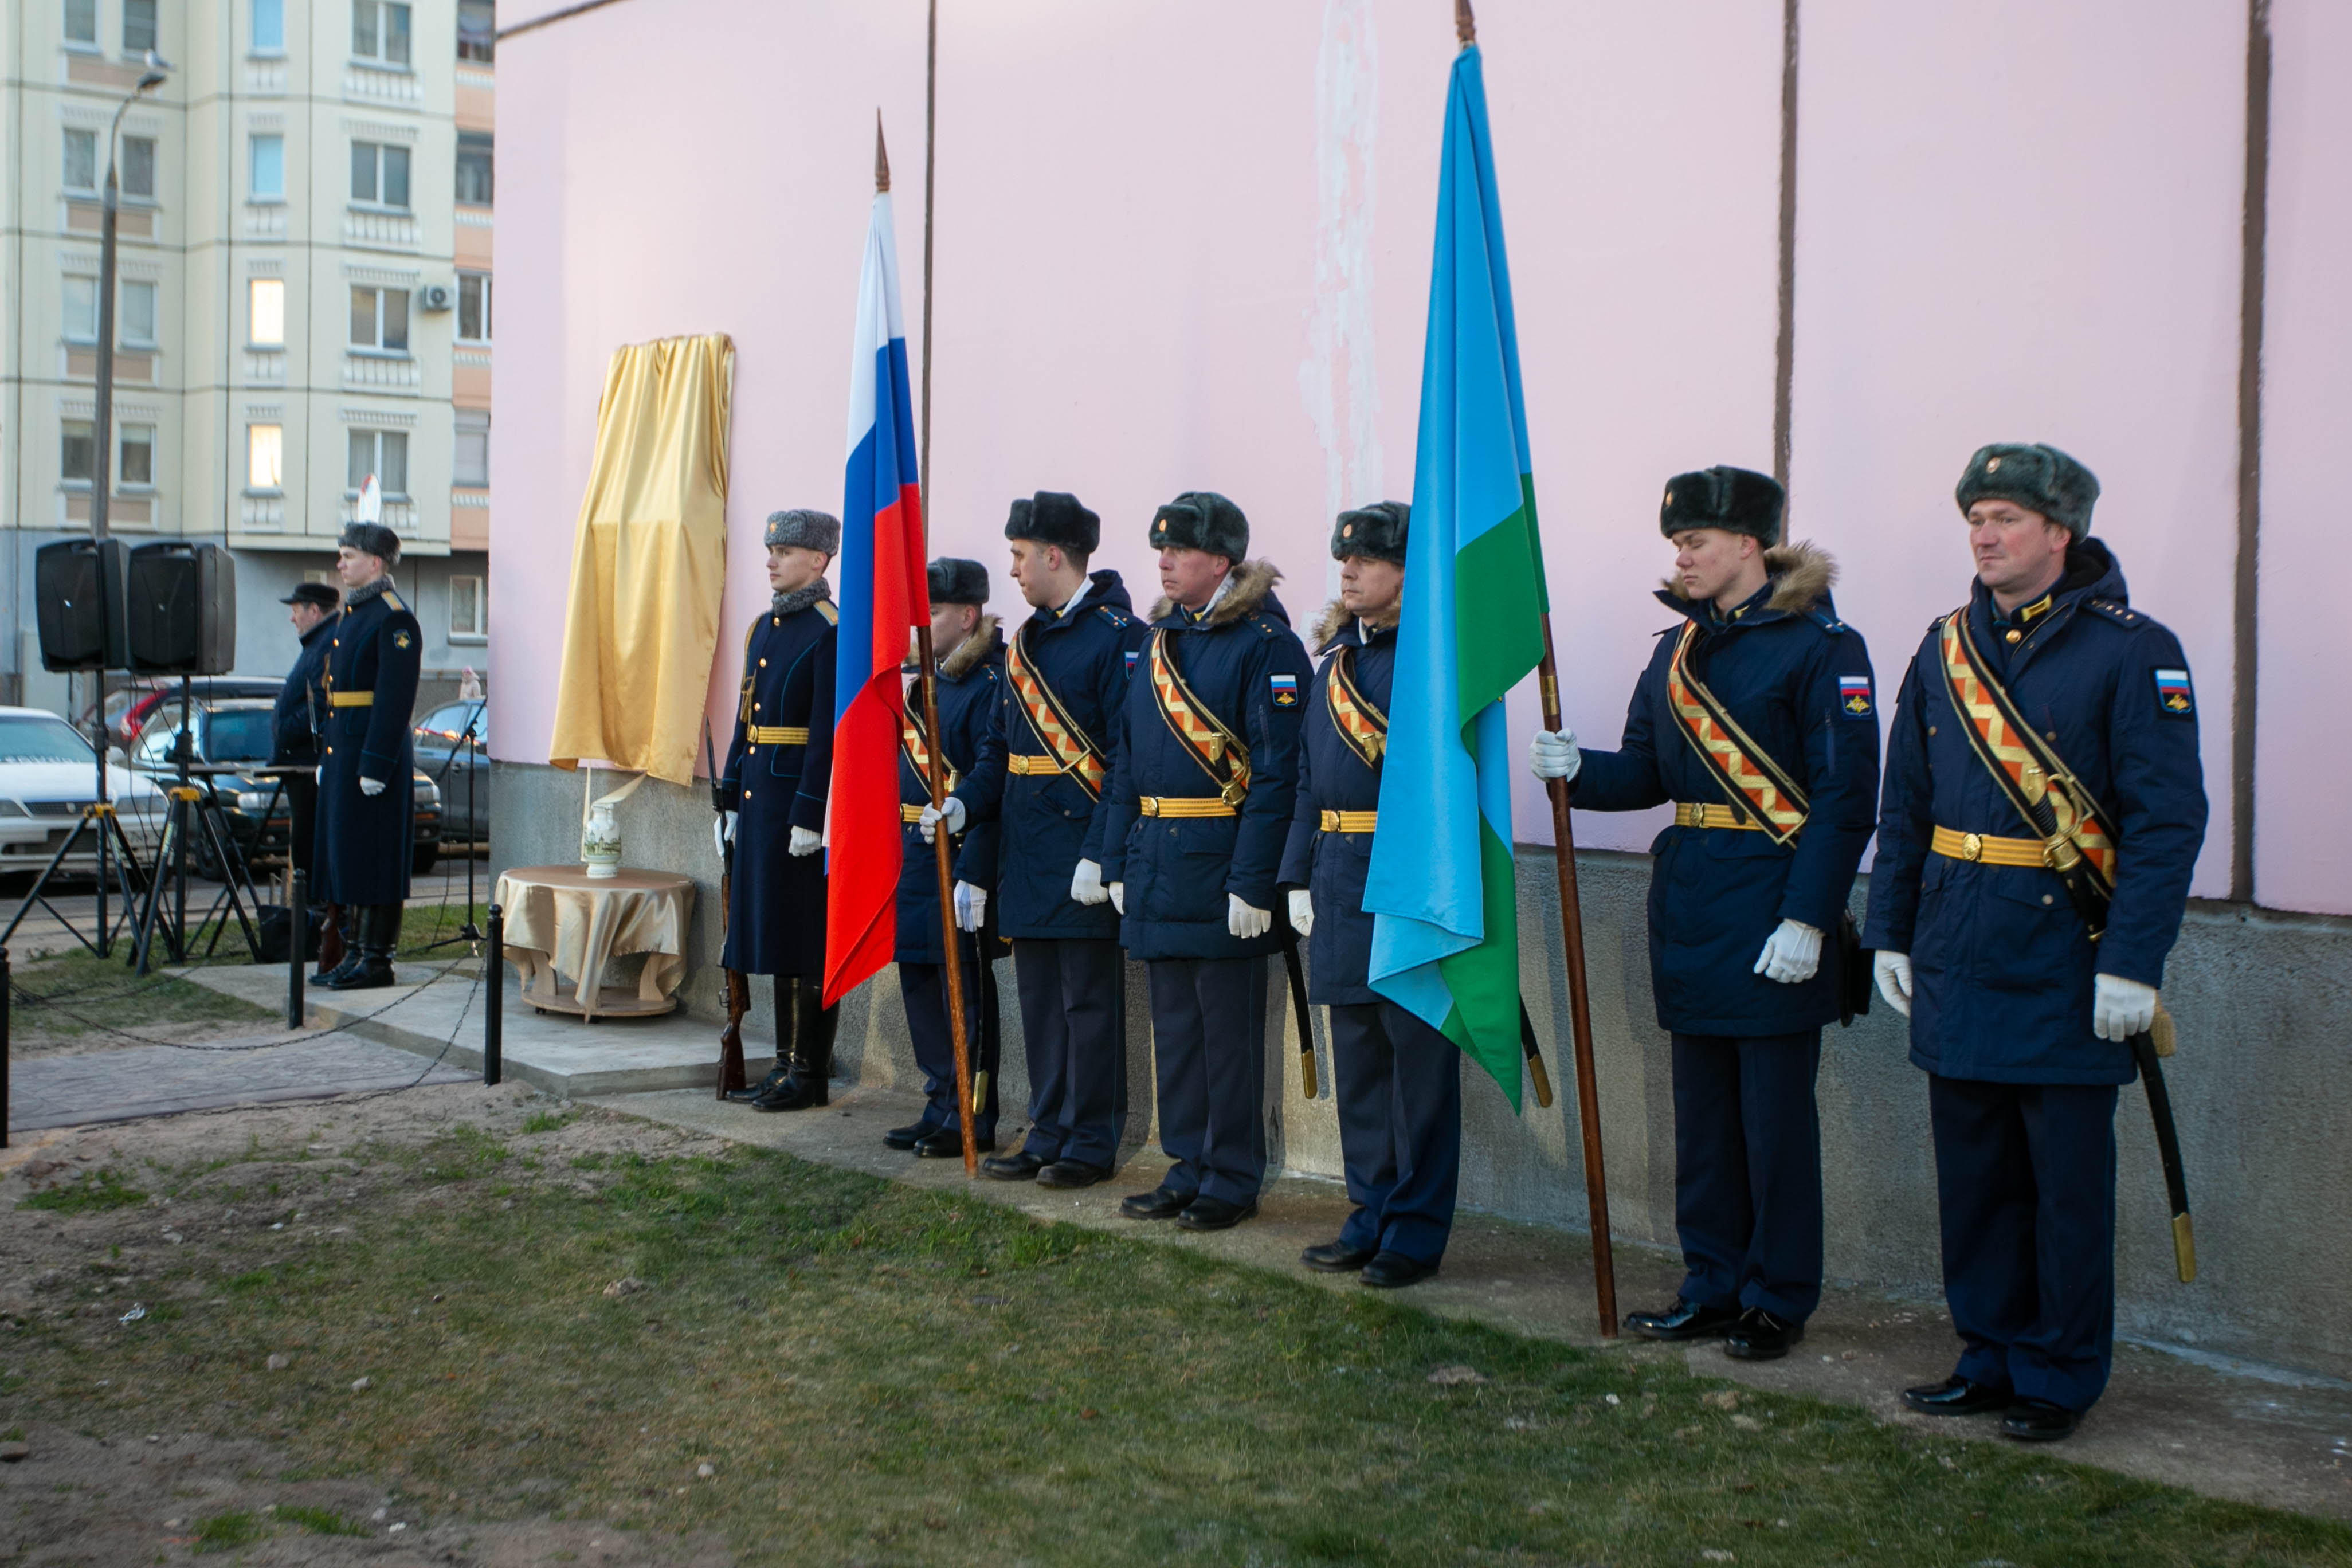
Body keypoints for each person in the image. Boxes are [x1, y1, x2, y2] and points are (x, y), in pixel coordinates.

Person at [1863, 443, 2206, 1442]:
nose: (1982, 533)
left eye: (2005, 516)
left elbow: (2163, 822)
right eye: (1974, 515)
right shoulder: (1942, 648)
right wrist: (1888, 931)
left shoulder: (2131, 648)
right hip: (1958, 950)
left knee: (2061, 1191)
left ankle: (2056, 1376)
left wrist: (2133, 963)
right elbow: (1906, 801)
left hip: (2067, 958)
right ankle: (1986, 1355)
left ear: (2060, 532)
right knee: (1974, 1183)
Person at [1530, 466, 1879, 1360]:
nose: (1679, 555)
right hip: (1690, 909)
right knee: (1707, 1127)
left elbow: (1845, 802)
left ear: (1749, 546)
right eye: (1676, 541)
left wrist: (1810, 917)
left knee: (1775, 1130)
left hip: (1771, 913)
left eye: (1696, 541)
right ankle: (1712, 1284)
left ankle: (1777, 1298)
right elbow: (1648, 775)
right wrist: (1578, 768)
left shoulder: (1821, 648)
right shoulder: (1674, 652)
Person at [1098, 491, 1312, 1232]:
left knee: (1227, 1040)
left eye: (1180, 549)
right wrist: (1114, 857)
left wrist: (1256, 880)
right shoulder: (1160, 642)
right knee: (1177, 1034)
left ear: (1220, 561)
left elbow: (1280, 772)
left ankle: (1230, 1176)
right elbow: (1126, 759)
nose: (1163, 559)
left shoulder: (1265, 645)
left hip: (1223, 868)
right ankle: (1186, 1165)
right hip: (1157, 862)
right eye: (1160, 547)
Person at [1278, 501, 1457, 1288]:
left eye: (1369, 559)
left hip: (1409, 881)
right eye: (1343, 559)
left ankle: (1414, 1232)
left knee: (1417, 1072)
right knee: (1359, 1067)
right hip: (1339, 879)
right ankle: (1370, 1211)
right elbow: (1306, 780)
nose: (1347, 570)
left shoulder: (1435, 660)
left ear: (1409, 572)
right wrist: (1293, 875)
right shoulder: (1335, 663)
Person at [943, 493, 1145, 1188]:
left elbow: (1125, 755)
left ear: (1055, 555)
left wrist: (1102, 851)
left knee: (1087, 1006)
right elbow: (1000, 745)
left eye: (1021, 556)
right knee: (1040, 1004)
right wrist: (965, 802)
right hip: (1026, 851)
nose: (1015, 570)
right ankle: (1048, 1128)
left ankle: (1090, 1140)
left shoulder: (1120, 635)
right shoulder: (1025, 643)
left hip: (1081, 848)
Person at [715, 509, 841, 1112]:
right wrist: (729, 795)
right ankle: (785, 1062)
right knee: (769, 936)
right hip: (760, 803)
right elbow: (746, 718)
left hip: (797, 809)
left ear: (818, 560)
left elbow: (826, 734)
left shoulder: (829, 629)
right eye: (770, 549)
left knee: (804, 939)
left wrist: (811, 813)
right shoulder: (763, 628)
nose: (770, 559)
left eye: (785, 551)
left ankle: (809, 1070)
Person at [889, 556, 1005, 1158]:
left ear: (967, 615)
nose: (921, 625)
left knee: (962, 987)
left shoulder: (988, 684)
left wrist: (976, 873)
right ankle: (940, 1101)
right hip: (914, 854)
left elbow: (993, 784)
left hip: (956, 855)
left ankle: (974, 1111)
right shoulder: (926, 684)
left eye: (932, 613)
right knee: (920, 980)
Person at [313, 524, 423, 991]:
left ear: (375, 563)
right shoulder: (356, 613)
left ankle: (378, 960)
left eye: (349, 555)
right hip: (347, 752)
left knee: (376, 857)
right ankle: (355, 953)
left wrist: (376, 762)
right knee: (350, 857)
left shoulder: (393, 617)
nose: (340, 564)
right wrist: (330, 754)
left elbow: (394, 699)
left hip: (374, 757)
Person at [271, 581, 339, 971]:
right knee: (304, 843)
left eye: (296, 608)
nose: (291, 616)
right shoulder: (318, 641)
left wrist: (287, 728)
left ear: (315, 610)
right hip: (299, 761)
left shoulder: (326, 641)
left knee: (310, 847)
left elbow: (320, 703)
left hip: (308, 762)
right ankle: (310, 921)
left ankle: (314, 924)